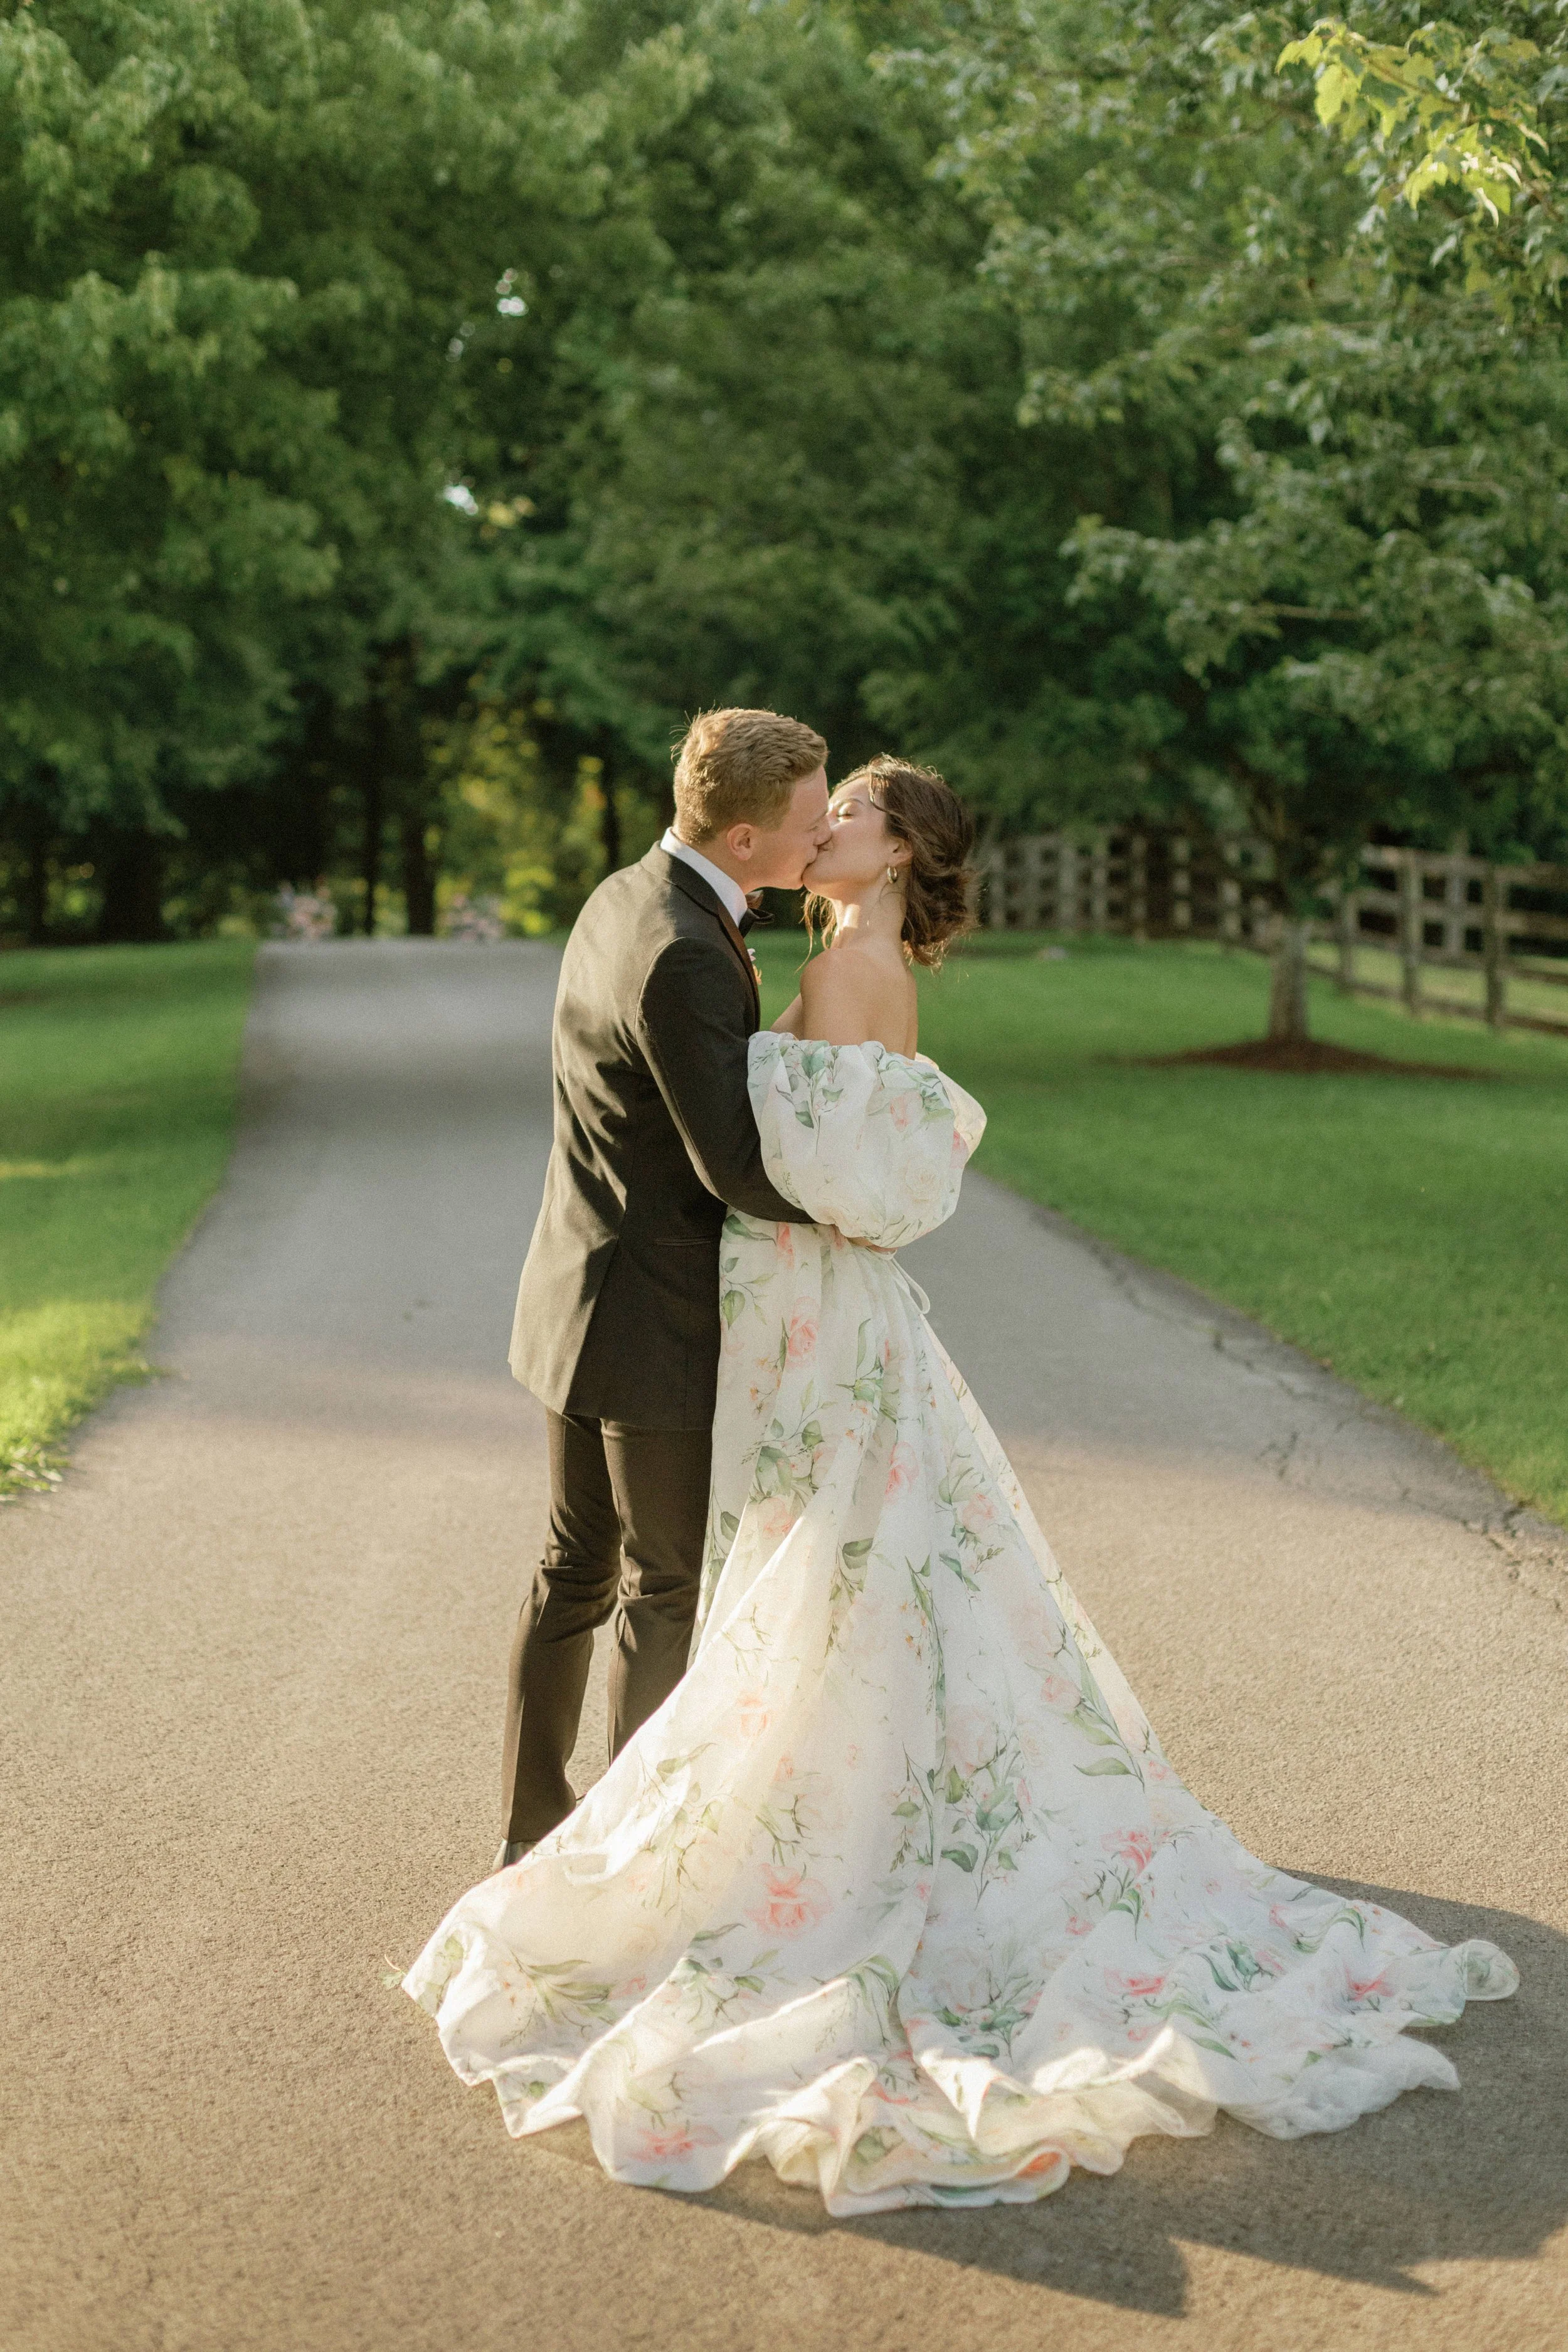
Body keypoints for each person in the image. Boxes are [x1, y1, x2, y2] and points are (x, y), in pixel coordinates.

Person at [410, 755, 1517, 2214]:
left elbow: (830, 1176)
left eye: (847, 818)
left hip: (814, 1309)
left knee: (794, 1590)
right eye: (817, 812)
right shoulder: (787, 941)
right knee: (787, 1591)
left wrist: (814, 1199)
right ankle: (666, 1837)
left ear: (892, 854)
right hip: (769, 1313)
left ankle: (701, 1856)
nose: (826, 830)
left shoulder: (852, 964)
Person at [497, 707, 832, 1867]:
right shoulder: (687, 950)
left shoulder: (623, 894)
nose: (827, 827)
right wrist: (857, 1204)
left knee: (573, 1566)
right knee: (664, 1584)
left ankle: (533, 1834)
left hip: (570, 1300)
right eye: (809, 817)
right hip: (650, 1326)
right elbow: (732, 1163)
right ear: (744, 839)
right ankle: (636, 1868)